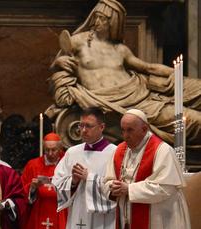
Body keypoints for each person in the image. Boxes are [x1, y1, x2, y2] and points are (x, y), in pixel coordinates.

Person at [49, 0, 201, 163]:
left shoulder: (120, 49)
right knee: (194, 121)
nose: (98, 22)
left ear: (114, 23)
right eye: (97, 17)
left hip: (142, 96)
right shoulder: (78, 41)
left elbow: (148, 68)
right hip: (115, 104)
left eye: (104, 19)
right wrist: (58, 63)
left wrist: (177, 73)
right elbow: (59, 66)